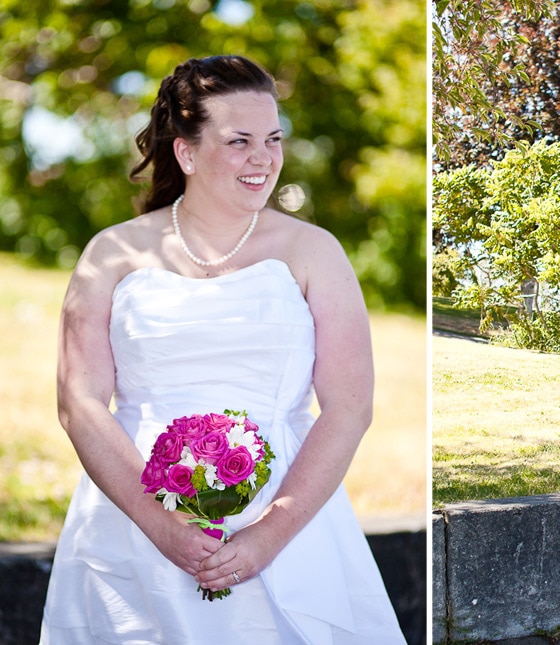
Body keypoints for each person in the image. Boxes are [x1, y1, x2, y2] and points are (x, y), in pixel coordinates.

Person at [40, 55, 406, 644]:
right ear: (187, 152)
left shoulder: (314, 251)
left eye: (273, 139)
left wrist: (268, 534)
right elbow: (79, 402)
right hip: (133, 513)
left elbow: (349, 407)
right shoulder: (111, 254)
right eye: (239, 141)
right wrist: (163, 527)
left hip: (286, 508)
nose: (263, 158)